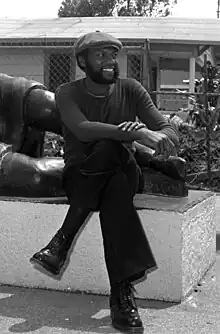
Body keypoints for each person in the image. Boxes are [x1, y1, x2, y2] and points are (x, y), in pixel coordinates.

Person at [30, 31, 179, 333]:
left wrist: (163, 136)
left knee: (114, 155)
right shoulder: (67, 92)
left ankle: (62, 241)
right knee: (113, 179)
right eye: (100, 54)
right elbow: (83, 130)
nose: (110, 60)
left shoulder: (131, 89)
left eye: (113, 54)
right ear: (82, 61)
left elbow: (166, 128)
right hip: (81, 175)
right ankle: (121, 295)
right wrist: (134, 134)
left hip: (124, 169)